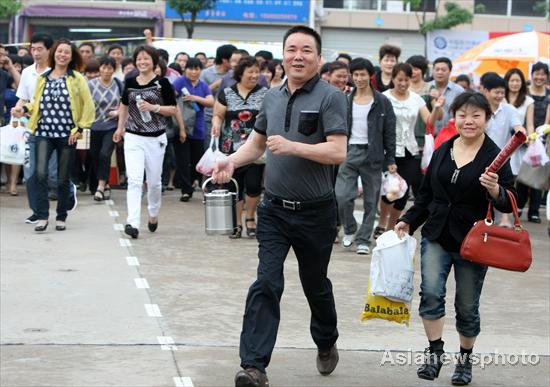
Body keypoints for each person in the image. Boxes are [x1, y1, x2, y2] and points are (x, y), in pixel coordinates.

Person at [212, 25, 347, 387]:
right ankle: (253, 366)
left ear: (319, 58)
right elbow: (256, 146)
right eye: (291, 49)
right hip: (274, 211)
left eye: (306, 50)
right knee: (266, 283)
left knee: (315, 284)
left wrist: (295, 146)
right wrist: (230, 161)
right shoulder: (270, 98)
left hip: (316, 213)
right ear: (282, 55)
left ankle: (326, 340)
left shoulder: (331, 97)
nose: (298, 56)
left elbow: (337, 150)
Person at [394, 92, 516, 386]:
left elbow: (509, 201)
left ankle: (464, 360)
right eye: (462, 114)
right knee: (432, 294)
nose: (468, 121)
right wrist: (407, 220)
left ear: (487, 119)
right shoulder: (442, 149)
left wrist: (496, 189)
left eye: (476, 115)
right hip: (436, 234)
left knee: (466, 304)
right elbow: (426, 195)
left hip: (473, 241)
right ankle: (435, 353)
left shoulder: (496, 156)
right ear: (454, 117)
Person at [11, 38, 95, 232]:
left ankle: (61, 216)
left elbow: (88, 107)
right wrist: (23, 110)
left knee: (63, 178)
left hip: (67, 135)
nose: (62, 55)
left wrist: (80, 129)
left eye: (66, 52)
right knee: (40, 174)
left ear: (71, 56)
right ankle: (42, 216)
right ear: (54, 54)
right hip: (42, 132)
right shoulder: (43, 78)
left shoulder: (77, 79)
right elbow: (36, 104)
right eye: (59, 51)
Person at [113, 46, 177, 239]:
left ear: (154, 62)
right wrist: (120, 128)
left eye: (146, 59)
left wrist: (153, 107)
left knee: (154, 182)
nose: (142, 62)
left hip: (156, 138)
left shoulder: (162, 83)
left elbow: (173, 109)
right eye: (139, 59)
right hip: (133, 137)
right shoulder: (130, 82)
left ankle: (153, 212)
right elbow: (124, 106)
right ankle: (132, 222)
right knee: (134, 180)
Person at [335, 57, 396, 255]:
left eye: (363, 74)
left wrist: (391, 160)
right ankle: (350, 229)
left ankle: (363, 239)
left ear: (370, 76)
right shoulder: (345, 100)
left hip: (373, 153)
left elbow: (390, 131)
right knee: (342, 196)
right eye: (356, 75)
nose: (359, 78)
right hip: (349, 151)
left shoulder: (382, 101)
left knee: (371, 201)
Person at [376, 63, 444, 238]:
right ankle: (382, 222)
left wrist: (436, 107)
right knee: (389, 190)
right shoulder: (383, 98)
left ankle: (392, 227)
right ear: (393, 79)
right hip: (388, 151)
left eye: (406, 79)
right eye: (400, 79)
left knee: (403, 192)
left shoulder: (416, 99)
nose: (403, 83)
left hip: (410, 150)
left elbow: (429, 121)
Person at [211, 56, 268, 238]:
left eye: (256, 72)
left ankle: (250, 218)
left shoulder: (265, 93)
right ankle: (235, 222)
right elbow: (218, 115)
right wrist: (216, 124)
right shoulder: (227, 92)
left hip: (256, 147)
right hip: (230, 146)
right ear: (240, 73)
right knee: (233, 186)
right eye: (250, 72)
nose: (254, 75)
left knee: (253, 186)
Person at [12, 33, 62, 224]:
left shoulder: (57, 72)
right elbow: (23, 97)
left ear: (49, 50)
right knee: (31, 173)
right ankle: (38, 211)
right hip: (33, 129)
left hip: (56, 130)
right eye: (33, 48)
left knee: (51, 174)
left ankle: (65, 198)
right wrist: (18, 109)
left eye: (40, 49)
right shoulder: (27, 72)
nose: (36, 52)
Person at [172, 58, 214, 202]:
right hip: (181, 126)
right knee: (183, 160)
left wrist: (195, 98)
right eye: (191, 68)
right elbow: (169, 97)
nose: (194, 72)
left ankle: (194, 183)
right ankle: (186, 190)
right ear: (185, 70)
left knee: (197, 159)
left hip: (198, 127)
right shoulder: (180, 82)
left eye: (197, 69)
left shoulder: (203, 85)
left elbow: (211, 102)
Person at [88, 55, 122, 201]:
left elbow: (126, 104)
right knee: (95, 157)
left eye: (110, 68)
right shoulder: (90, 85)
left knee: (104, 154)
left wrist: (118, 112)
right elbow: (84, 104)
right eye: (104, 67)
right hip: (94, 126)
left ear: (114, 70)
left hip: (111, 126)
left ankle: (100, 187)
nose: (107, 71)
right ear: (99, 68)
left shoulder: (120, 84)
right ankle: (106, 183)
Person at [504, 68, 534, 222]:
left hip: (518, 146)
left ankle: (509, 215)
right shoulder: (501, 97)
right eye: (512, 80)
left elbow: (529, 124)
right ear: (507, 82)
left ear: (522, 83)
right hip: (501, 142)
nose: (515, 84)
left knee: (512, 181)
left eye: (518, 81)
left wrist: (530, 139)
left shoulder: (528, 101)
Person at [522, 62, 550, 223]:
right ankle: (518, 205)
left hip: (543, 139)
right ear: (531, 74)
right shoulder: (525, 93)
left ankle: (534, 210)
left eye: (543, 74)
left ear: (546, 77)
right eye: (536, 73)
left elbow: (547, 119)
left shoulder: (549, 95)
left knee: (539, 174)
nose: (539, 77)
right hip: (525, 137)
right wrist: (529, 135)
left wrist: (540, 135)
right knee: (522, 172)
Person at [430, 57, 464, 134]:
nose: (440, 72)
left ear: (450, 71)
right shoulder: (426, 88)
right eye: (437, 69)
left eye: (443, 70)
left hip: (450, 135)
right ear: (433, 71)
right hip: (429, 135)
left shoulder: (459, 91)